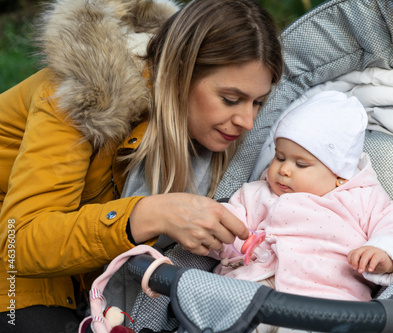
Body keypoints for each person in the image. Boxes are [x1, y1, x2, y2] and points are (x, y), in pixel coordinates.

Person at [0, 0, 283, 331]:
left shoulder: (210, 125)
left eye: (258, 102)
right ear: (180, 71)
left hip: (83, 270)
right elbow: (19, 244)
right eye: (231, 100)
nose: (247, 121)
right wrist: (147, 215)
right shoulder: (81, 95)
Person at [211, 91, 393, 307]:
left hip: (325, 300)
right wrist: (216, 234)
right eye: (280, 157)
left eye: (300, 164)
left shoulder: (362, 197)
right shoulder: (256, 193)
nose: (284, 169)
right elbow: (228, 225)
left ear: (338, 174)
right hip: (251, 284)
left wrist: (384, 252)